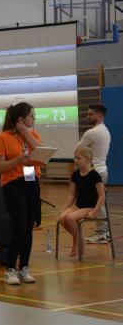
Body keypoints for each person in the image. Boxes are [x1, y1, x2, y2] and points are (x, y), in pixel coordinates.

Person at [0, 102, 42, 285]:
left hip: (32, 182)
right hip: (13, 185)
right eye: (31, 116)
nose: (33, 119)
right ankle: (10, 269)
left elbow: (41, 152)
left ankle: (24, 267)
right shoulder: (3, 138)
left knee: (29, 228)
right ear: (21, 119)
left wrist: (26, 133)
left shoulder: (33, 135)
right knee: (19, 228)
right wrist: (18, 160)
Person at [58, 146, 106, 258]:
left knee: (70, 218)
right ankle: (80, 240)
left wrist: (95, 211)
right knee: (61, 218)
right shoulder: (75, 174)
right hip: (78, 206)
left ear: (88, 160)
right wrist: (64, 208)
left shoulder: (94, 175)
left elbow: (102, 196)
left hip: (90, 207)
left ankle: (77, 244)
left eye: (78, 158)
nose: (75, 160)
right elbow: (72, 195)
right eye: (75, 158)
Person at [76, 104, 111, 244]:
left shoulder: (91, 132)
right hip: (103, 170)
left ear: (100, 115)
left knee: (98, 202)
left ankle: (101, 233)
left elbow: (77, 150)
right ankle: (105, 232)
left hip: (95, 172)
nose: (88, 117)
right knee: (100, 202)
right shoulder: (106, 130)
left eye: (91, 114)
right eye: (88, 114)